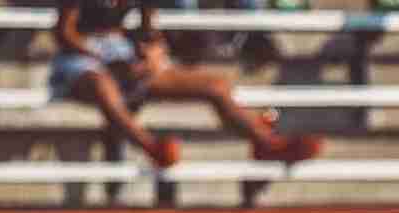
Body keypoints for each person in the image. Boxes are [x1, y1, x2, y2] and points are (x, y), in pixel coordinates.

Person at [48, 0, 323, 168]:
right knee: (102, 85)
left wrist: (152, 54)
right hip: (81, 55)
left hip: (122, 52)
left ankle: (266, 143)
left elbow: (149, 30)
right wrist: (106, 60)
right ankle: (150, 147)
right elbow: (65, 33)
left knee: (214, 84)